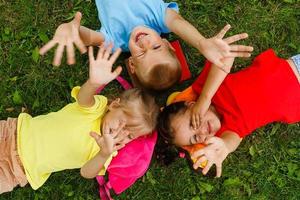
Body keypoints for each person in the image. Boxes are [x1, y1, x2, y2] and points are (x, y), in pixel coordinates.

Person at [0, 45, 159, 194]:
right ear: (115, 105)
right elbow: (83, 98)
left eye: (130, 136)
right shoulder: (97, 109)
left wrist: (103, 154)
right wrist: (93, 82)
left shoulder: (107, 152)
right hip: (13, 132)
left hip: (19, 169)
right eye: (123, 124)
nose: (120, 133)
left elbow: (86, 172)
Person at [39, 0, 253, 91]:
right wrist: (201, 43)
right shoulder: (160, 19)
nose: (144, 43)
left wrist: (71, 30)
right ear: (168, 44)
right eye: (156, 47)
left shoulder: (114, 42)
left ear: (131, 64)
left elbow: (88, 37)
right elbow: (177, 23)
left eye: (141, 54)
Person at [157, 49, 300, 177]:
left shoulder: (205, 88)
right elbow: (232, 140)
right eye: (195, 138)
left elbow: (226, 54)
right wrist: (224, 147)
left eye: (193, 123)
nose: (200, 132)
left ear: (192, 105)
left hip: (293, 70)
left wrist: (205, 98)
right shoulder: (225, 131)